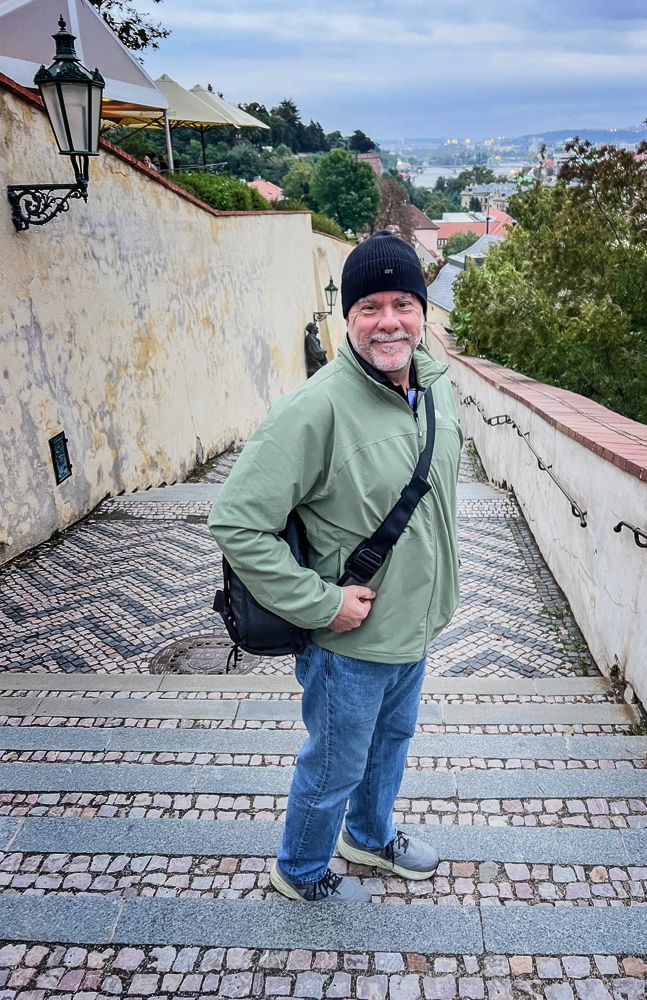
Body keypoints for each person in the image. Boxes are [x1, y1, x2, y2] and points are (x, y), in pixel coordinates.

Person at [208, 231, 462, 902]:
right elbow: (235, 521)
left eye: (403, 303)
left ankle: (369, 838)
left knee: (390, 746)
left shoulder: (434, 390)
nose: (389, 321)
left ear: (423, 313)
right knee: (335, 763)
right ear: (346, 317)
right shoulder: (313, 408)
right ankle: (299, 868)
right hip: (348, 641)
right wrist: (324, 604)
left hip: (412, 629)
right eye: (370, 306)